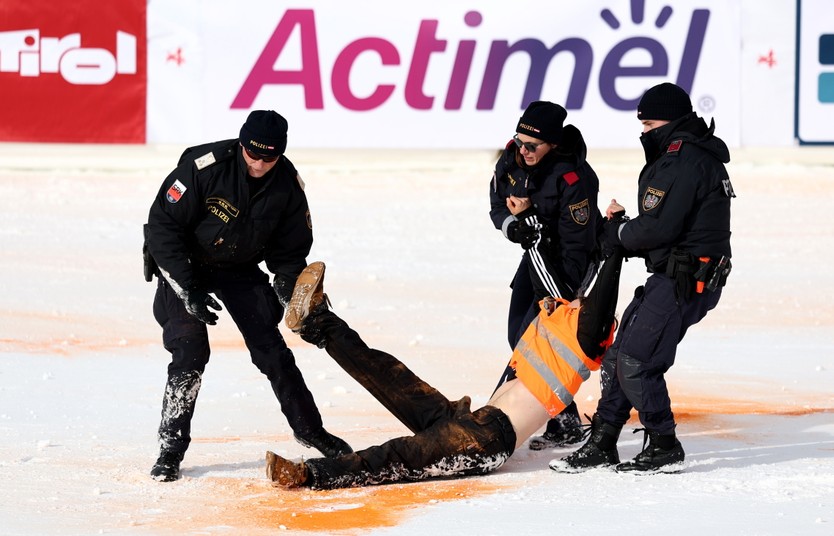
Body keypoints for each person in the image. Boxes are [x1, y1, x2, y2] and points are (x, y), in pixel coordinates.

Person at [264, 247, 624, 489]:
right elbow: (591, 285)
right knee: (388, 375)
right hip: (468, 418)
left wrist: (618, 249)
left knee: (397, 457)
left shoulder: (582, 341)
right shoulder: (561, 321)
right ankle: (318, 322)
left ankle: (309, 475)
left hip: (483, 443)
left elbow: (603, 296)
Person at [143, 110, 352, 482]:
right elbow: (162, 226)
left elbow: (289, 255)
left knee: (272, 350)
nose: (258, 164)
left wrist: (289, 292)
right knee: (190, 349)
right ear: (242, 145)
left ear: (280, 155)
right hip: (183, 263)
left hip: (237, 268)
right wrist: (186, 286)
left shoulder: (287, 186)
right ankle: (170, 449)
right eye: (252, 155)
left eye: (268, 158)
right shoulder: (203, 168)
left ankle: (309, 430)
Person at [550, 82, 734, 475]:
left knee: (636, 360)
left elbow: (658, 228)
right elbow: (665, 226)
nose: (643, 132)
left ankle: (665, 445)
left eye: (648, 123)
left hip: (686, 280)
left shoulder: (683, 160)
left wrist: (617, 232)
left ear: (669, 121)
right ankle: (602, 441)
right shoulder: (685, 156)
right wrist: (627, 229)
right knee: (618, 356)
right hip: (675, 274)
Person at [489, 100, 603, 449]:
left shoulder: (574, 178)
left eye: (532, 146)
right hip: (533, 252)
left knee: (534, 339)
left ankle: (514, 422)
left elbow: (575, 248)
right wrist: (514, 228)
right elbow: (496, 205)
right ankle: (564, 418)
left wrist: (530, 227)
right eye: (519, 141)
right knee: (516, 335)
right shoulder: (511, 158)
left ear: (552, 144)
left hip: (568, 263)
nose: (523, 150)